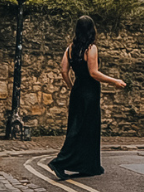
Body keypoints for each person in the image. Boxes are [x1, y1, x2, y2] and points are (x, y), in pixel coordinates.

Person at [48, 15, 126, 180]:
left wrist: (72, 87)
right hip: (89, 92)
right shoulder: (91, 48)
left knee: (76, 128)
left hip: (78, 91)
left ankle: (88, 167)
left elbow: (63, 71)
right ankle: (60, 162)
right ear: (92, 29)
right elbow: (93, 73)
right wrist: (114, 81)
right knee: (88, 129)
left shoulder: (70, 48)